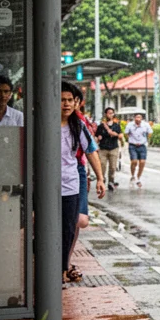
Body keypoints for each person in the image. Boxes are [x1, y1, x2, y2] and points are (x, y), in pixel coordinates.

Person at [60, 81, 105, 285]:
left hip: (70, 182)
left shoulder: (78, 125)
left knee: (70, 226)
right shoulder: (42, 123)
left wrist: (100, 179)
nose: (67, 104)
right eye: (62, 100)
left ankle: (62, 268)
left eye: (70, 100)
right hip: (45, 184)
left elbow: (91, 151)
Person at [96, 106, 124, 191]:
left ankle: (111, 182)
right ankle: (102, 181)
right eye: (109, 113)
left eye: (112, 113)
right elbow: (96, 137)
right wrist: (98, 138)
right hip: (103, 148)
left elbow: (121, 136)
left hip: (113, 148)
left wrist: (116, 134)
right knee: (102, 166)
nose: (110, 115)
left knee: (112, 167)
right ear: (105, 114)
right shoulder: (101, 126)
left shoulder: (116, 126)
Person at [125, 112, 152, 187]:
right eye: (136, 117)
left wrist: (145, 139)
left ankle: (138, 177)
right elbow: (126, 133)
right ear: (134, 118)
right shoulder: (130, 125)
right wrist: (131, 139)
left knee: (142, 162)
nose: (138, 119)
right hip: (133, 145)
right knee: (134, 161)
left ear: (142, 118)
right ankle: (133, 175)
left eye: (139, 117)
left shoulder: (145, 125)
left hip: (142, 145)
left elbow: (150, 133)